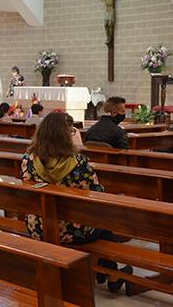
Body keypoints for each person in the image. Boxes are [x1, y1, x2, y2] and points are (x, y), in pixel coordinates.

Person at [20, 112, 130, 292]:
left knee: (100, 224)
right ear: (66, 135)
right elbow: (96, 193)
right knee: (103, 225)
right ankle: (111, 275)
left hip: (37, 226)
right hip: (72, 231)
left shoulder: (28, 159)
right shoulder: (79, 162)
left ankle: (108, 273)